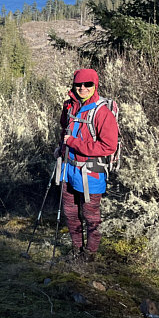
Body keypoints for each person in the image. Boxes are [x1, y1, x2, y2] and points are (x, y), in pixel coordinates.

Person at [55, 68, 119, 263]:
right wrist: (61, 147)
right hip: (69, 168)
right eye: (78, 84)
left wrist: (73, 143)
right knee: (70, 213)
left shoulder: (102, 112)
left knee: (91, 216)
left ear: (95, 85)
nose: (83, 88)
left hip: (91, 172)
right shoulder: (69, 107)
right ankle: (76, 249)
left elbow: (109, 146)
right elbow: (65, 130)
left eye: (88, 84)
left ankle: (89, 256)